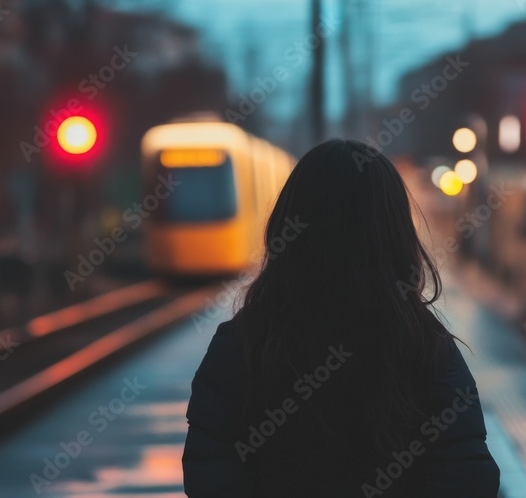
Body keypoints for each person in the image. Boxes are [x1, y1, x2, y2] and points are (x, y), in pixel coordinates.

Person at [183, 139, 500, 497]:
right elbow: (466, 478)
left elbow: (210, 475)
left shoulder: (240, 346)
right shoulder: (428, 349)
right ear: (394, 236)